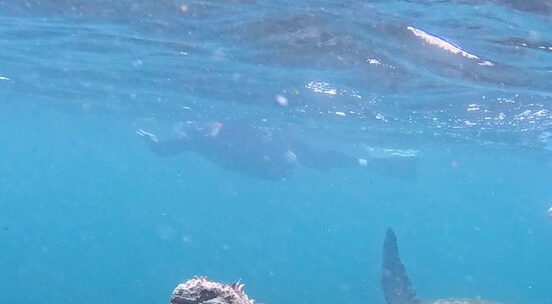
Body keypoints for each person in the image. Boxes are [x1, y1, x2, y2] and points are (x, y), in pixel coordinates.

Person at [137, 120, 418, 181]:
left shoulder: (216, 131)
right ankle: (374, 163)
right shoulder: (199, 137)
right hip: (272, 161)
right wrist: (154, 143)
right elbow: (168, 150)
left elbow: (255, 138)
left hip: (275, 153)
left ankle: (374, 163)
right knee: (316, 158)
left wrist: (282, 149)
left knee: (319, 158)